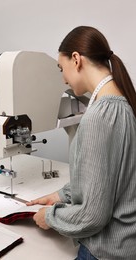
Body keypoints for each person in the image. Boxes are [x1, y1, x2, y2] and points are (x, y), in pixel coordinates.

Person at [26, 26, 136, 260]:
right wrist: (61, 195)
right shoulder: (121, 103)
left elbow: (93, 216)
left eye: (61, 69)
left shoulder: (99, 115)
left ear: (76, 59)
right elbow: (112, 181)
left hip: (104, 252)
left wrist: (50, 217)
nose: (63, 78)